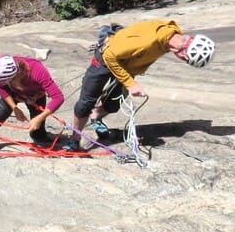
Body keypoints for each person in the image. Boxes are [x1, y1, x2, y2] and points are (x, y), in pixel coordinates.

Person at [59, 20, 215, 152]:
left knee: (113, 104)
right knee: (86, 103)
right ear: (184, 55)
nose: (182, 60)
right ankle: (75, 138)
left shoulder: (172, 36)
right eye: (185, 60)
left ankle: (95, 117)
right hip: (106, 58)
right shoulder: (149, 42)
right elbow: (109, 56)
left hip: (127, 65)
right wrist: (130, 83)